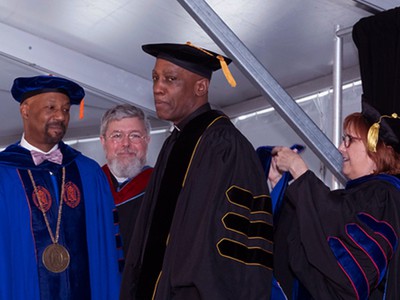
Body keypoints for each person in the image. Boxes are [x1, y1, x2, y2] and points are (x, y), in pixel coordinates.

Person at [120, 42, 274, 299]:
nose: (158, 88)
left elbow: (226, 245)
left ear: (201, 87)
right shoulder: (175, 141)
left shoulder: (225, 146)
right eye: (156, 78)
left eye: (170, 79)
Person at [269, 7, 400, 299]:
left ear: (373, 150)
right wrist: (283, 187)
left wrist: (303, 175)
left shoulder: (385, 195)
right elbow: (312, 242)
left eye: (348, 140)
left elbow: (350, 264)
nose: (340, 147)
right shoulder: (358, 195)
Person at [0, 75, 121, 300]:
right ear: (25, 110)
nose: (60, 116)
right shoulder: (3, 174)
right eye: (51, 107)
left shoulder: (88, 172)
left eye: (65, 110)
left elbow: (108, 250)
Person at [100, 104, 153, 262]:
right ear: (103, 141)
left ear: (147, 140)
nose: (125, 144)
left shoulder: (163, 186)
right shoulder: (88, 186)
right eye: (117, 136)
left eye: (135, 135)